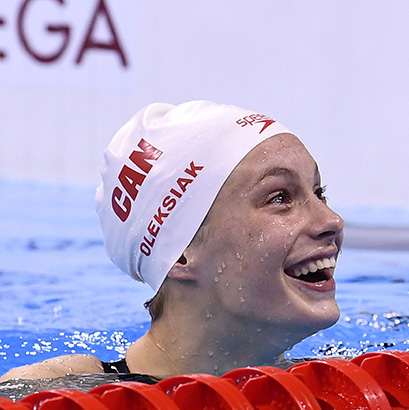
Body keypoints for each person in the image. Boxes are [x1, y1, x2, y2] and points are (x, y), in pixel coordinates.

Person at [0, 100, 344, 380]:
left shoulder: (348, 383)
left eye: (319, 192)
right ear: (180, 253)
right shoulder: (60, 396)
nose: (331, 221)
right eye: (279, 197)